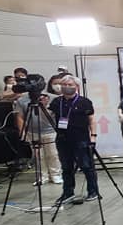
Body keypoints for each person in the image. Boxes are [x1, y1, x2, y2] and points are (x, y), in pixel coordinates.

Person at [48, 75, 99, 205]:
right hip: (62, 139)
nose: (67, 87)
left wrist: (93, 136)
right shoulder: (56, 102)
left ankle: (93, 191)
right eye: (64, 85)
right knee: (66, 167)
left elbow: (92, 120)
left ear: (76, 87)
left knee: (86, 166)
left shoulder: (84, 102)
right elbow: (48, 117)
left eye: (70, 85)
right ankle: (68, 193)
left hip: (81, 138)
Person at [14, 75, 62, 185]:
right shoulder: (22, 100)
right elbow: (19, 117)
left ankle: (56, 175)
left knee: (53, 154)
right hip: (32, 132)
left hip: (50, 131)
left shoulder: (52, 98)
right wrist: (23, 132)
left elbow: (57, 115)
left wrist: (45, 105)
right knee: (38, 156)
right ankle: (42, 176)